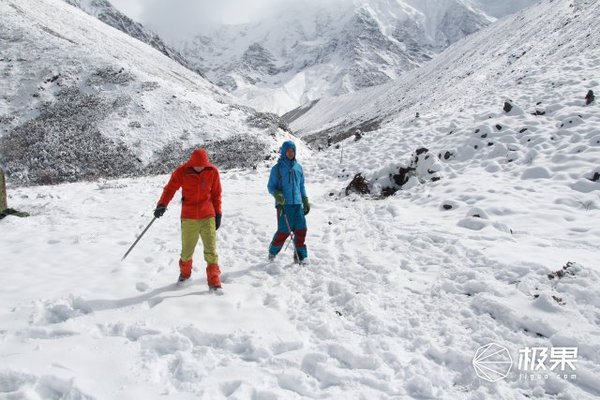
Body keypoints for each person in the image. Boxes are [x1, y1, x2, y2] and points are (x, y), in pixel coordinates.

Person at [154, 148, 223, 289]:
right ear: (192, 162)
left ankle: (214, 280)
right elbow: (170, 189)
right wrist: (162, 204)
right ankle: (185, 274)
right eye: (197, 165)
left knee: (211, 250)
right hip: (189, 217)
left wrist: (218, 213)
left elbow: (216, 194)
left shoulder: (212, 172)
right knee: (187, 251)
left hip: (207, 215)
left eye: (202, 165)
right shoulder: (182, 171)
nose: (199, 167)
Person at [267, 140, 310, 264]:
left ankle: (301, 256)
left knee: (302, 230)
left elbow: (301, 186)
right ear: (284, 152)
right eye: (288, 151)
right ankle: (272, 252)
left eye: (293, 151)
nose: (291, 153)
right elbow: (271, 186)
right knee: (283, 231)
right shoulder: (277, 169)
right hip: (284, 205)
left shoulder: (299, 168)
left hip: (297, 204)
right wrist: (277, 194)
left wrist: (305, 200)